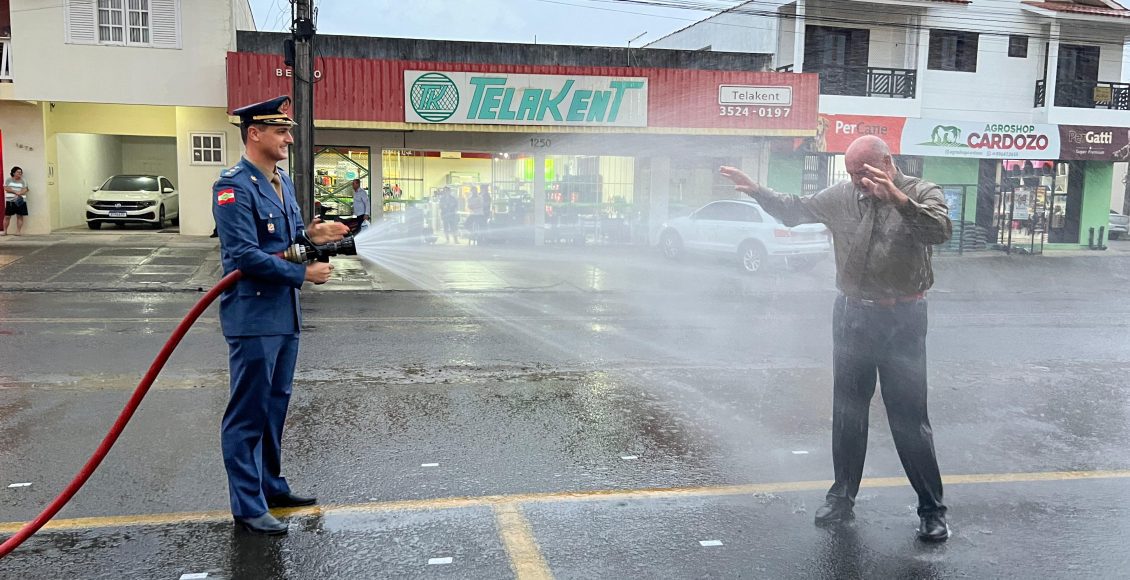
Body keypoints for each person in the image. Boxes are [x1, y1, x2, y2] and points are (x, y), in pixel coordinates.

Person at [720, 135, 953, 543]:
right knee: (848, 413)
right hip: (851, 315)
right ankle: (842, 497)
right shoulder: (842, 195)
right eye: (851, 174)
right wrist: (758, 192)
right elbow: (795, 211)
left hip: (903, 317)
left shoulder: (920, 192)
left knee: (909, 418)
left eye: (863, 173)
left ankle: (932, 510)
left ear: (887, 162)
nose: (857, 181)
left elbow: (939, 231)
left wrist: (898, 199)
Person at [212, 95, 349, 536]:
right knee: (248, 414)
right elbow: (243, 255)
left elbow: (287, 238)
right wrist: (303, 272)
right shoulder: (232, 186)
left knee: (274, 409)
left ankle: (270, 487)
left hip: (284, 317)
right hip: (253, 316)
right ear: (255, 134)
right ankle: (248, 506)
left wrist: (313, 233)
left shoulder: (281, 181)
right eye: (281, 131)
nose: (289, 137)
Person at [4, 166, 29, 236]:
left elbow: (25, 189)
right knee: (7, 216)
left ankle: (18, 231)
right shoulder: (8, 180)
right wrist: (15, 191)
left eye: (21, 172)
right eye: (18, 172)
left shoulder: (23, 180)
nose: (20, 173)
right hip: (10, 201)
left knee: (20, 216)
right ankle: (5, 231)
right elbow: (6, 188)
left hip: (20, 201)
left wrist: (19, 193)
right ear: (13, 173)